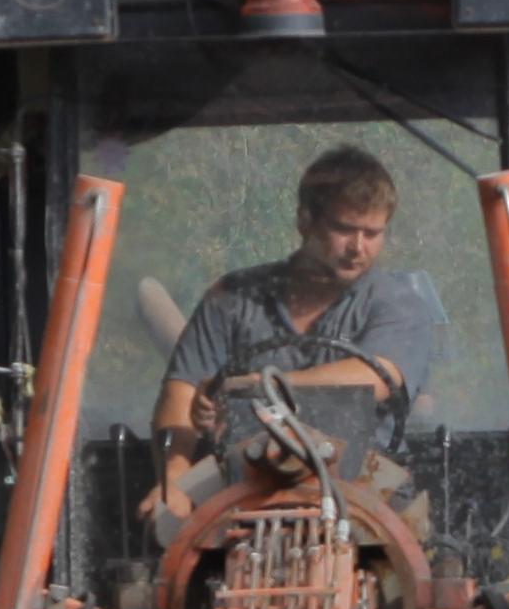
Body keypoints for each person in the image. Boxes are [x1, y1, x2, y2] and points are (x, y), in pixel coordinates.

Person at [155, 145, 447, 448]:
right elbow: (181, 397)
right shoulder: (233, 298)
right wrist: (177, 472)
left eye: (372, 234)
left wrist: (255, 386)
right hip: (243, 471)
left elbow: (375, 379)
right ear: (304, 221)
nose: (358, 248)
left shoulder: (399, 305)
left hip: (367, 472)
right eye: (343, 229)